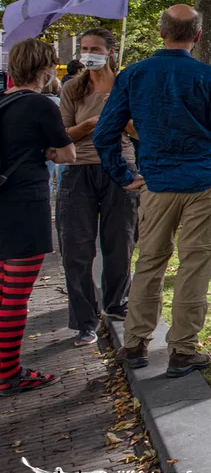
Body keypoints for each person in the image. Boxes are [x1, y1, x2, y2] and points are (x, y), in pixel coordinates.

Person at [94, 6, 211, 379]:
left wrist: (122, 174)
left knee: (149, 262)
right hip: (203, 181)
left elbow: (104, 132)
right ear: (197, 36)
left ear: (162, 31)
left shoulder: (134, 75)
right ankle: (182, 349)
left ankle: (135, 343)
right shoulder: (207, 76)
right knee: (194, 265)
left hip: (158, 182)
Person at [0, 39, 76, 395]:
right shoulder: (41, 104)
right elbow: (67, 154)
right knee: (15, 297)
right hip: (26, 208)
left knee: (3, 291)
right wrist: (49, 151)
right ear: (46, 70)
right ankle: (8, 373)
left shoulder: (2, 101)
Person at [57, 27, 139, 348]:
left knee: (120, 240)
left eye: (95, 48)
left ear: (110, 52)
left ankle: (117, 302)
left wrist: (117, 115)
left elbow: (139, 131)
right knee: (76, 247)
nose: (88, 54)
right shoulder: (72, 88)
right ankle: (84, 321)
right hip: (79, 170)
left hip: (119, 168)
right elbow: (63, 134)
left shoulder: (125, 85)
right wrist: (91, 124)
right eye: (84, 48)